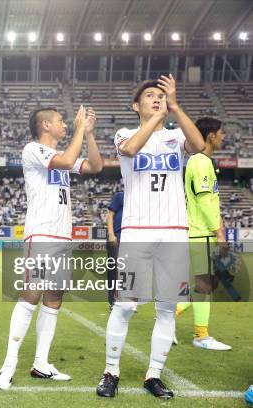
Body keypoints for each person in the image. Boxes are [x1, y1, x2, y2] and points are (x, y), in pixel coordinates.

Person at [96, 75, 205, 399]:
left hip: (173, 231)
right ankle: (111, 371)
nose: (156, 99)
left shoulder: (175, 136)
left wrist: (176, 107)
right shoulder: (125, 133)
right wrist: (159, 116)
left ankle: (153, 375)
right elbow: (130, 150)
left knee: (167, 308)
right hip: (137, 231)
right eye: (150, 96)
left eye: (161, 95)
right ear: (136, 105)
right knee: (126, 305)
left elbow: (199, 146)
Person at [0, 105, 103, 390]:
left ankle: (41, 363)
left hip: (62, 237)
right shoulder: (33, 149)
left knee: (54, 299)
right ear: (45, 125)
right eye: (60, 121)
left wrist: (88, 134)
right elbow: (68, 161)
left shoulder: (59, 155)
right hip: (41, 234)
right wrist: (80, 129)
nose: (66, 124)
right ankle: (8, 364)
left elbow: (95, 166)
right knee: (30, 295)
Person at [175, 117, 231, 351]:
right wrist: (219, 231)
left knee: (206, 284)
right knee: (205, 284)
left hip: (199, 233)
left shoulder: (202, 161)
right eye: (221, 132)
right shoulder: (200, 161)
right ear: (210, 136)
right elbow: (205, 199)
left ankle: (169, 314)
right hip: (201, 234)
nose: (223, 136)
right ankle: (201, 335)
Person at [106, 191, 124, 308]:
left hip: (132, 239)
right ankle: (113, 300)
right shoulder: (120, 196)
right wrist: (111, 234)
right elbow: (110, 215)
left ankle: (126, 299)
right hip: (117, 238)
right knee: (114, 271)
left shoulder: (140, 198)